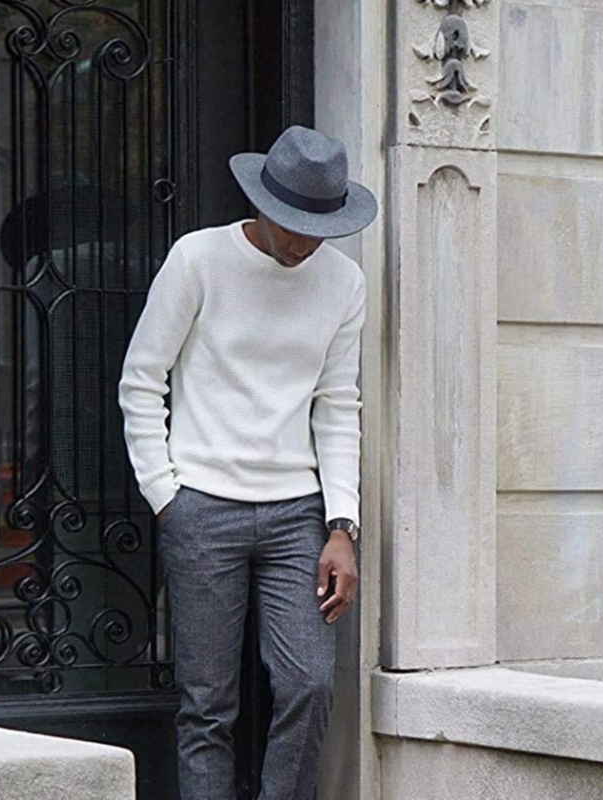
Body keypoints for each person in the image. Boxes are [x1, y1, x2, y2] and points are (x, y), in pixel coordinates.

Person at [118, 125, 378, 800]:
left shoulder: (343, 282)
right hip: (202, 506)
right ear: (261, 204)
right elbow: (142, 380)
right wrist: (165, 495)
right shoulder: (198, 259)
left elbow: (337, 405)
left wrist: (342, 525)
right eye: (292, 224)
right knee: (208, 704)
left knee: (310, 683)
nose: (303, 242)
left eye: (318, 228)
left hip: (299, 515)